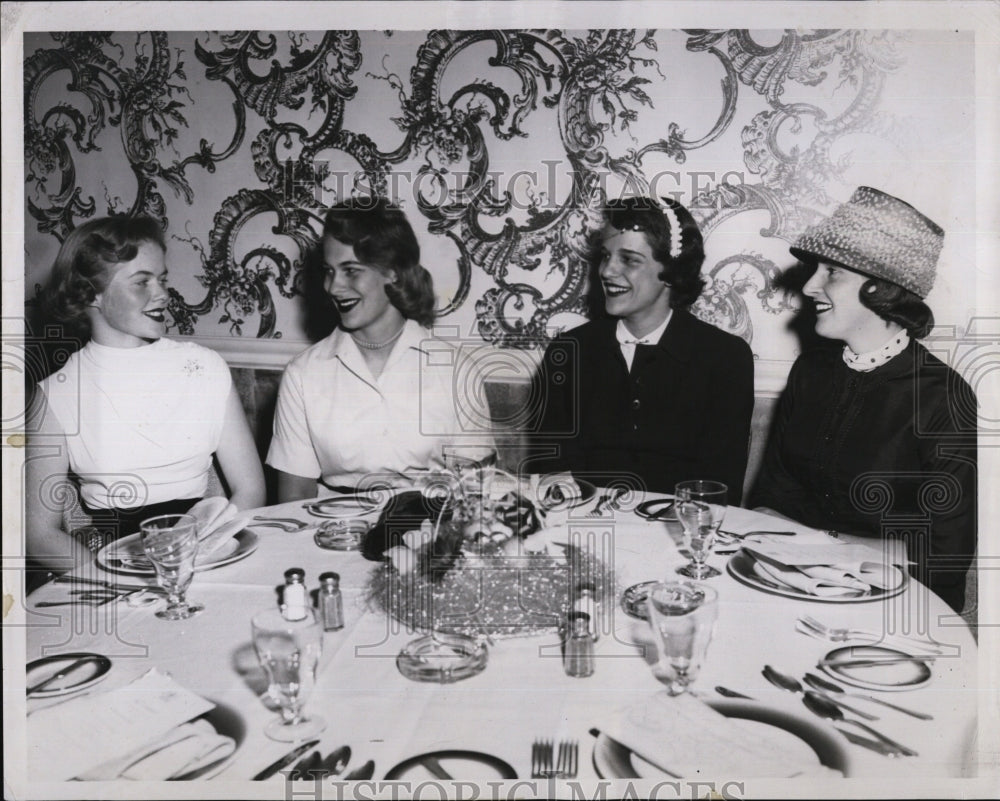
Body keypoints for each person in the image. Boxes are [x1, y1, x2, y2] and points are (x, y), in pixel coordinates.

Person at [750, 187, 977, 614]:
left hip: (901, 607)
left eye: (832, 271)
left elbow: (944, 554)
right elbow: (771, 496)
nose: (811, 284)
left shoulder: (942, 395)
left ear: (881, 288)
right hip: (801, 586)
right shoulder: (810, 372)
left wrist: (824, 545)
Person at [26, 215, 265, 575]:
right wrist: (111, 580)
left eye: (163, 279)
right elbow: (38, 533)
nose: (163, 294)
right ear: (91, 293)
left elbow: (250, 489)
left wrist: (206, 552)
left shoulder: (204, 367)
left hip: (205, 553)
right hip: (110, 564)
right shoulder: (56, 395)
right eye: (142, 282)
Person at [529, 196, 754, 504]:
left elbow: (718, 487)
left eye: (630, 260)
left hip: (677, 533)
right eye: (606, 257)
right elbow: (549, 464)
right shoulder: (569, 351)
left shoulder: (725, 357)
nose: (607, 271)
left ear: (672, 271)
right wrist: (555, 482)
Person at [267, 198, 491, 501]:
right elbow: (292, 501)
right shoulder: (304, 374)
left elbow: (475, 495)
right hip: (333, 535)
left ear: (393, 272)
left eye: (351, 271)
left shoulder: (455, 370)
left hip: (432, 532)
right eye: (329, 271)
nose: (333, 287)